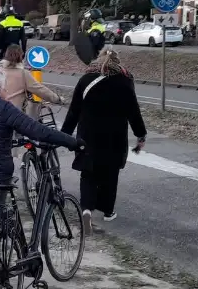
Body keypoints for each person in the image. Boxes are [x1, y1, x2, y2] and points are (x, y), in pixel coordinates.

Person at [0, 70, 80, 209]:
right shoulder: (4, 108)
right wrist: (71, 141)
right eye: (5, 89)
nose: (7, 94)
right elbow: (38, 131)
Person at [61, 48, 146, 228]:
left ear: (98, 60)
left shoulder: (85, 80)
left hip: (88, 135)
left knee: (88, 173)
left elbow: (74, 111)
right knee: (110, 173)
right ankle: (107, 211)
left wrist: (64, 135)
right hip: (114, 137)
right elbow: (133, 111)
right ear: (118, 61)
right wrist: (140, 134)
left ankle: (86, 210)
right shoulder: (125, 81)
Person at [0, 45, 63, 118]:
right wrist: (57, 99)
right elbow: (40, 90)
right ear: (20, 57)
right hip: (13, 114)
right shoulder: (23, 74)